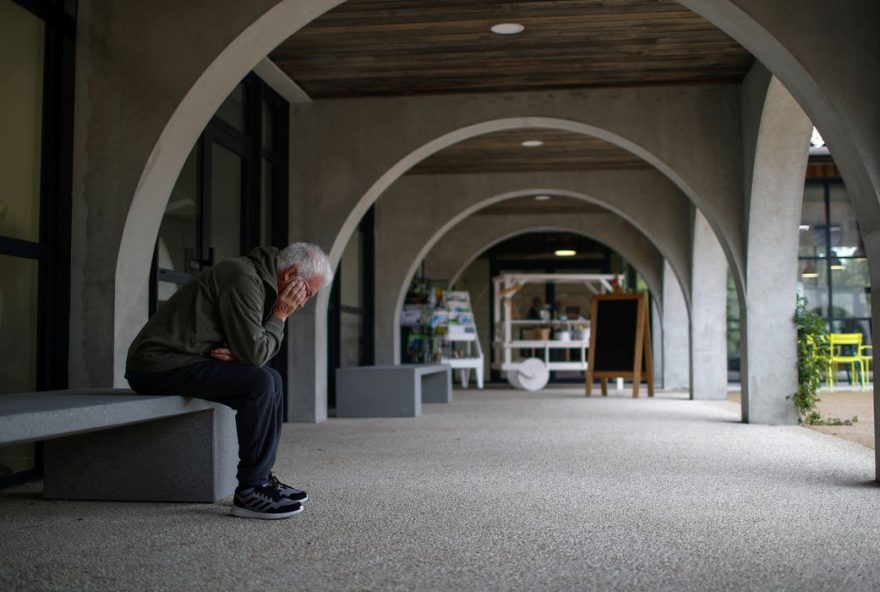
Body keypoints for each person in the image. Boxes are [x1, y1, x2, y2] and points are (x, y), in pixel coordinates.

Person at [125, 242, 333, 520]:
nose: (303, 302)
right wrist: (280, 315)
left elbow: (252, 351)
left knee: (271, 378)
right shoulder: (243, 277)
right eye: (307, 291)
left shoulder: (259, 280)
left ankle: (262, 478)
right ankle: (250, 490)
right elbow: (256, 352)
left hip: (187, 358)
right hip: (157, 364)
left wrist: (245, 352)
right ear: (290, 274)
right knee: (258, 383)